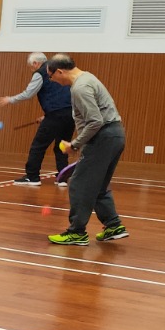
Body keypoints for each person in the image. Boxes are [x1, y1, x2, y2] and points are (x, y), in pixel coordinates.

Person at [44, 55, 127, 245]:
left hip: (103, 138)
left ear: (60, 71)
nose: (52, 80)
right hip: (115, 135)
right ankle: (113, 225)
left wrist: (74, 144)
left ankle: (77, 233)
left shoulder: (80, 87)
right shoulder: (88, 78)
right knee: (97, 185)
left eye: (51, 76)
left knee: (78, 184)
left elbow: (95, 121)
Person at [0, 51, 73, 186]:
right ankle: (62, 178)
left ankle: (32, 176)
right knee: (62, 146)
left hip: (55, 115)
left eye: (31, 66)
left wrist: (9, 99)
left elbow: (28, 94)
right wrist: (47, 115)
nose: (32, 69)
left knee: (38, 146)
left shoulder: (41, 73)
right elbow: (62, 96)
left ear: (36, 63)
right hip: (70, 114)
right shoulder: (60, 70)